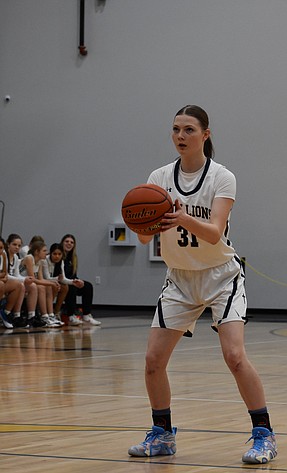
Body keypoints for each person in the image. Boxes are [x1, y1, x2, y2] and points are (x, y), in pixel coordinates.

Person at [128, 105, 277, 465]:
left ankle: (264, 435)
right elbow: (145, 240)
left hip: (220, 276)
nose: (180, 136)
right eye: (176, 129)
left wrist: (179, 217)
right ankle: (162, 434)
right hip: (179, 280)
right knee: (152, 361)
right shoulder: (159, 177)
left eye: (189, 130)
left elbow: (213, 233)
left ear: (205, 135)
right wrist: (148, 224)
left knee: (235, 356)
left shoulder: (222, 177)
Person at [19, 241, 62, 328]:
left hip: (29, 284)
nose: (46, 253)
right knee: (42, 287)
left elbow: (41, 279)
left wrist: (52, 283)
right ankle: (44, 316)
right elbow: (32, 278)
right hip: (21, 282)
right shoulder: (29, 258)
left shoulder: (40, 261)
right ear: (36, 252)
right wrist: (52, 283)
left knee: (48, 286)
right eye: (44, 251)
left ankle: (50, 315)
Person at [60, 234, 101, 326]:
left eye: (72, 242)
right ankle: (71, 315)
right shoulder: (59, 255)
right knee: (72, 286)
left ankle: (86, 315)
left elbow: (73, 275)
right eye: (67, 241)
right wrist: (74, 282)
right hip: (61, 282)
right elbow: (61, 276)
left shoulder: (73, 258)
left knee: (88, 286)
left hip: (70, 281)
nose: (69, 244)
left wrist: (79, 281)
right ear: (62, 243)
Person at [5, 233, 38, 328]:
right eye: (14, 244)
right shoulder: (4, 255)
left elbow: (16, 274)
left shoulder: (15, 257)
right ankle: (14, 315)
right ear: (8, 244)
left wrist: (25, 279)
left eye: (19, 245)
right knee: (21, 285)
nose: (17, 247)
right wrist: (22, 280)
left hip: (12, 280)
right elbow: (6, 275)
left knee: (33, 286)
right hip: (5, 280)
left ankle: (31, 316)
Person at [0, 237, 23, 329]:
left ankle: (6, 313)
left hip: (2, 281)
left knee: (18, 285)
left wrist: (3, 276)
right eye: (14, 244)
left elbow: (5, 273)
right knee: (1, 284)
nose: (0, 250)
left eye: (1, 248)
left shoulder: (3, 255)